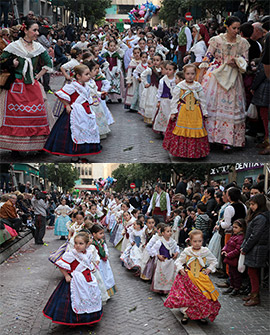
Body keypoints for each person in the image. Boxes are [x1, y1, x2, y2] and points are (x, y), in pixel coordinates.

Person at [0, 20, 53, 153]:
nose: (37, 33)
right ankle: (16, 147)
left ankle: (38, 144)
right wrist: (12, 63)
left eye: (37, 31)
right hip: (16, 85)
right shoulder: (14, 46)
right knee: (17, 117)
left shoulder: (38, 47)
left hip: (32, 86)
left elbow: (49, 63)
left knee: (36, 115)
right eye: (34, 30)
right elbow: (1, 61)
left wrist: (38, 76)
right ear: (25, 30)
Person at [199, 16, 250, 152]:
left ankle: (228, 140)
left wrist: (239, 61)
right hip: (216, 75)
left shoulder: (243, 43)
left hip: (234, 77)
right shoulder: (217, 40)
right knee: (213, 106)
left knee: (231, 107)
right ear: (227, 27)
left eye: (239, 28)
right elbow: (208, 55)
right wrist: (202, 68)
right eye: (234, 28)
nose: (237, 31)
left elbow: (246, 59)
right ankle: (210, 137)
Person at [43, 232, 103, 326]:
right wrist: (66, 275)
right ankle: (73, 320)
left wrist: (91, 268)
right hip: (75, 280)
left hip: (87, 279)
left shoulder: (88, 253)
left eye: (81, 243)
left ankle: (89, 319)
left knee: (90, 297)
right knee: (73, 299)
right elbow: (60, 264)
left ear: (87, 244)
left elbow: (88, 263)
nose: (77, 246)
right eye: (76, 243)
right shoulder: (71, 254)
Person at [43, 64, 101, 159]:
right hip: (76, 112)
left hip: (85, 112)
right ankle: (74, 155)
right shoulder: (72, 86)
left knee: (86, 130)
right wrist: (67, 105)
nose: (89, 76)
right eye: (86, 74)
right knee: (73, 132)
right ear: (78, 76)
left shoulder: (86, 86)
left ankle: (83, 154)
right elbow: (61, 93)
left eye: (89, 74)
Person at [164, 230, 221, 324]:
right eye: (195, 241)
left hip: (201, 278)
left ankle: (201, 314)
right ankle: (186, 313)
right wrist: (180, 268)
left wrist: (209, 269)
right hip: (188, 277)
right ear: (190, 241)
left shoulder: (205, 251)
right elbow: (178, 261)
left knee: (202, 296)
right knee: (188, 296)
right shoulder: (187, 251)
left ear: (202, 241)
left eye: (199, 241)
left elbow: (214, 260)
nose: (197, 243)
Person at [163, 64, 209, 158]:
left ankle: (195, 153)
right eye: (188, 73)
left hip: (195, 113)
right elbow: (174, 100)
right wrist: (173, 112)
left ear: (195, 74)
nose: (190, 76)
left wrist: (204, 112)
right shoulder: (180, 86)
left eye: (192, 74)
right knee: (182, 131)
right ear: (184, 74)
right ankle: (182, 153)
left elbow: (202, 100)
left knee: (195, 131)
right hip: (183, 112)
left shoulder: (197, 86)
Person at [241, 194, 269, 306]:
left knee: (253, 272)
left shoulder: (261, 217)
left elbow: (255, 235)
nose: (251, 207)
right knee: (252, 272)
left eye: (253, 204)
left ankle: (255, 296)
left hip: (257, 248)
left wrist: (245, 247)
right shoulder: (259, 216)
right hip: (256, 247)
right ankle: (253, 293)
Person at [150, 224, 179, 294]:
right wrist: (158, 255)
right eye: (168, 231)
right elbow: (153, 249)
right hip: (163, 262)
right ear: (163, 233)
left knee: (170, 275)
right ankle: (160, 289)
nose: (170, 233)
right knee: (162, 275)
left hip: (170, 262)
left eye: (170, 231)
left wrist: (176, 253)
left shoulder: (173, 241)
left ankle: (168, 289)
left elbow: (176, 248)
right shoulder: (160, 241)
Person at [221, 218, 246, 296]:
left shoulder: (241, 238)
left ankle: (237, 288)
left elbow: (237, 250)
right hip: (230, 258)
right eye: (233, 227)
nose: (234, 229)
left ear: (241, 228)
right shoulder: (233, 236)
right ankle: (232, 286)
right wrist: (224, 250)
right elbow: (227, 244)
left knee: (236, 275)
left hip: (234, 259)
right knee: (231, 274)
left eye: (236, 227)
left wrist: (229, 254)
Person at [91, 224, 117, 297]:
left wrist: (106, 254)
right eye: (100, 233)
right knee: (100, 277)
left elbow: (105, 249)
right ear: (94, 234)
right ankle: (101, 294)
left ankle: (108, 292)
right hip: (98, 263)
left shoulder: (102, 242)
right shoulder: (92, 244)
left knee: (107, 276)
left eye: (103, 233)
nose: (102, 235)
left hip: (104, 262)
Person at [153, 61, 177, 134]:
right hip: (165, 101)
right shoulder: (162, 80)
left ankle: (171, 131)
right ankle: (164, 131)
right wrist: (159, 101)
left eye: (170, 70)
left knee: (171, 116)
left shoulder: (176, 80)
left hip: (173, 101)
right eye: (166, 69)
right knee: (164, 115)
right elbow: (159, 91)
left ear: (174, 71)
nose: (167, 71)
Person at [141, 53, 163, 124]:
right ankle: (151, 119)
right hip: (152, 88)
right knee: (152, 102)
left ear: (161, 61)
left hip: (160, 89)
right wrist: (146, 83)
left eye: (157, 60)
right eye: (154, 60)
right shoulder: (150, 70)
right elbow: (143, 75)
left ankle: (158, 120)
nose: (155, 62)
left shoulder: (163, 70)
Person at [124, 47, 141, 112]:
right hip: (133, 79)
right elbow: (129, 72)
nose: (137, 54)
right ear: (133, 54)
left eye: (138, 53)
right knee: (133, 91)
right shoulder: (132, 62)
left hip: (140, 79)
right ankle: (132, 106)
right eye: (135, 53)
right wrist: (129, 81)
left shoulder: (142, 61)